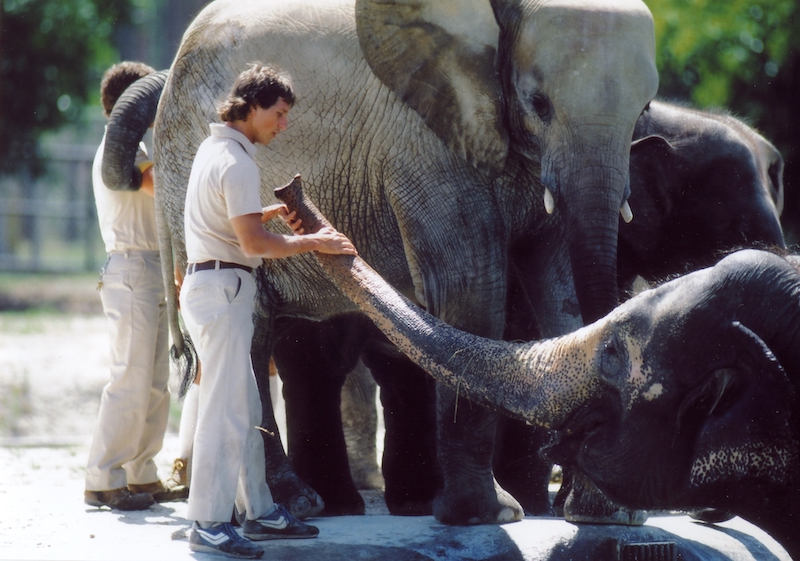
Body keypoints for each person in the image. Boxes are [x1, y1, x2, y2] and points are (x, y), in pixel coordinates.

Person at [180, 62, 357, 559]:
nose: (283, 125)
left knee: (247, 408)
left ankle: (258, 510)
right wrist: (315, 242)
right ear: (251, 107)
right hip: (225, 289)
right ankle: (209, 522)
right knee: (225, 412)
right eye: (278, 114)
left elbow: (230, 219)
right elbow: (253, 244)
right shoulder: (239, 164)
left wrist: (265, 212)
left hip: (211, 284)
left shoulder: (214, 149)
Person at [84, 62, 188, 510]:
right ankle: (103, 476)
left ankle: (141, 472)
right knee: (130, 376)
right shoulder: (120, 146)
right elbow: (156, 185)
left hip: (151, 266)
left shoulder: (138, 144)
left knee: (155, 381)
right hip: (131, 266)